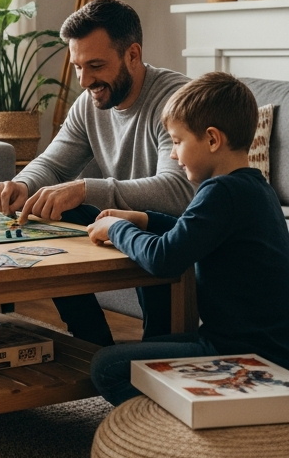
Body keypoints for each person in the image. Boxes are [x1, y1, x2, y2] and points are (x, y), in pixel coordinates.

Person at [0, 0, 194, 345]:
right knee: (44, 210)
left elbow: (177, 190)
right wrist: (22, 185)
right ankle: (90, 343)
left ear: (132, 54)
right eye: (78, 66)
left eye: (95, 65)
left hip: (172, 228)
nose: (84, 80)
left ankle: (157, 350)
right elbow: (53, 163)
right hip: (127, 220)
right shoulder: (90, 103)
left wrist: (84, 189)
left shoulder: (176, 100)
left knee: (143, 223)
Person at [87, 72, 289, 405]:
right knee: (157, 345)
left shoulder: (220, 191)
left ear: (212, 140)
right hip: (264, 346)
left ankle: (171, 429)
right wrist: (145, 218)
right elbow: (190, 231)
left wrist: (117, 229)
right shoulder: (252, 187)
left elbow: (164, 257)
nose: (172, 155)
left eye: (178, 142)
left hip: (240, 354)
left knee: (107, 366)